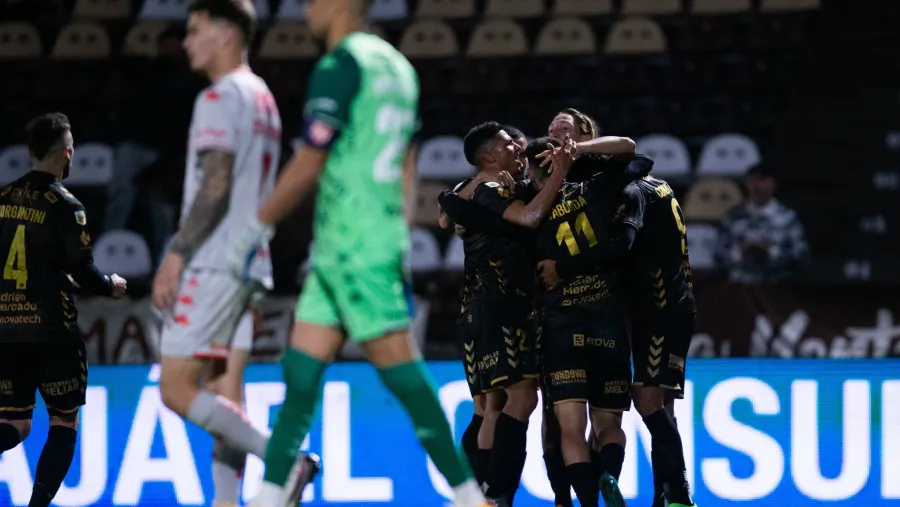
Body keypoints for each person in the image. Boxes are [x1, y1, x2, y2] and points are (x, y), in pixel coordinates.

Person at [225, 2, 491, 507]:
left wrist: (254, 227)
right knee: (300, 374)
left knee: (402, 374)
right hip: (357, 243)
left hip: (353, 248)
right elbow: (408, 163)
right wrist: (397, 231)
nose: (305, 8)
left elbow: (308, 162)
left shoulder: (340, 65)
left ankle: (468, 497)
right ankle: (267, 496)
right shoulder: (398, 67)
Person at [149, 3, 315, 507]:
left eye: (194, 31)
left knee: (176, 389)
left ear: (224, 34)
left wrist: (177, 253)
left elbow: (215, 185)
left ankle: (285, 461)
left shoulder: (219, 97)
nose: (186, 42)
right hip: (248, 263)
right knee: (226, 392)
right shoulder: (263, 96)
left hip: (213, 260)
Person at [438, 122, 575, 506]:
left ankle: (474, 496)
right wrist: (560, 172)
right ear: (490, 156)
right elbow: (530, 218)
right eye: (507, 143)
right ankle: (496, 494)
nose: (518, 145)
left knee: (490, 407)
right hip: (500, 308)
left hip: (475, 309)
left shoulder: (474, 191)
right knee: (521, 400)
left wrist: (452, 196)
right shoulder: (492, 188)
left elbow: (446, 216)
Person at [0, 112, 128, 507]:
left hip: (7, 331)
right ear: (67, 153)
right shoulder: (67, 205)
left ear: (30, 151)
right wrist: (111, 286)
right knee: (63, 420)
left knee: (15, 423)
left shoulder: (2, 199)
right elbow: (82, 271)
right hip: (53, 333)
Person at [715, 163, 808, 283]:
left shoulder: (788, 217)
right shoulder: (733, 216)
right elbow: (717, 254)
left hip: (776, 287)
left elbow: (801, 257)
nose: (757, 186)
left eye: (762, 180)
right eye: (752, 181)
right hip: (739, 286)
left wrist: (771, 253)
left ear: (773, 184)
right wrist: (739, 253)